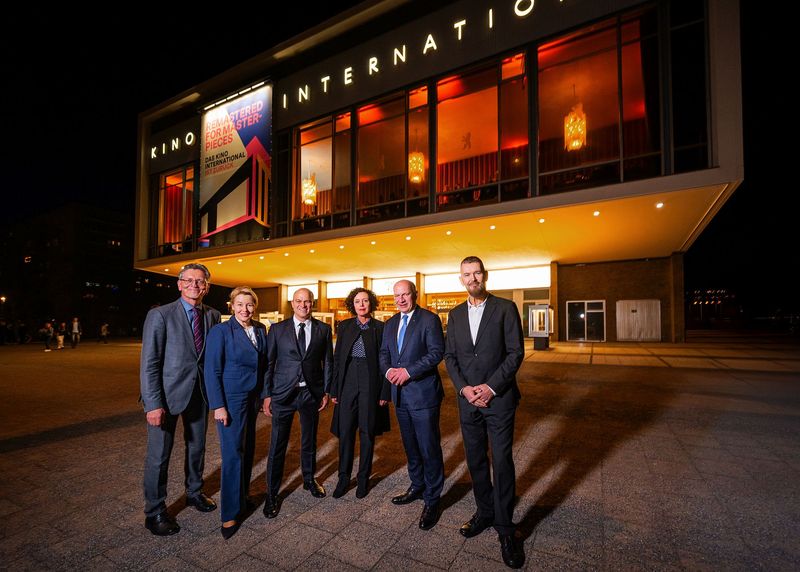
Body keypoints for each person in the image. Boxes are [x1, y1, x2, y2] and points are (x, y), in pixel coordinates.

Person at [444, 256, 525, 569]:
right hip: (467, 401)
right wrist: (464, 389)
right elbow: (451, 357)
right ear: (461, 279)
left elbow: (516, 353)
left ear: (485, 275)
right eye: (467, 274)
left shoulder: (504, 308)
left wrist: (490, 388)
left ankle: (505, 528)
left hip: (499, 399)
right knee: (475, 459)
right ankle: (485, 511)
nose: (472, 278)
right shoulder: (454, 314)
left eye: (477, 272)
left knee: (502, 461)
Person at [140, 263, 221, 536]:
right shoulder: (160, 315)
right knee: (158, 455)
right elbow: (149, 362)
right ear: (179, 284)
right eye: (189, 281)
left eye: (200, 282)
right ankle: (154, 511)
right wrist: (153, 404)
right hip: (165, 397)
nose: (194, 286)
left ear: (206, 287)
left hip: (199, 394)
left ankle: (194, 492)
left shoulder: (213, 315)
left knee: (197, 448)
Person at [261, 287, 333, 518]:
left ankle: (309, 479)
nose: (304, 305)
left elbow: (328, 363)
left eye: (308, 301)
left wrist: (325, 391)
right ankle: (272, 493)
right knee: (278, 444)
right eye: (299, 301)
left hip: (310, 394)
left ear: (313, 304)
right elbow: (269, 363)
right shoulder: (277, 329)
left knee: (309, 441)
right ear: (292, 304)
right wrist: (267, 394)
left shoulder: (323, 329)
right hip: (283, 394)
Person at [379, 279, 445, 530]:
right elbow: (384, 354)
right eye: (397, 296)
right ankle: (417, 486)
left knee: (429, 448)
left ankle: (432, 498)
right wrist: (389, 373)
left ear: (414, 295)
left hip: (423, 395)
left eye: (405, 294)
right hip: (400, 397)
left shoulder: (429, 320)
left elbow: (436, 353)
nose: (401, 299)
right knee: (411, 447)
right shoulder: (390, 323)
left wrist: (407, 372)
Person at [204, 287, 267, 539]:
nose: (245, 309)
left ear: (255, 306)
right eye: (239, 304)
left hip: (252, 399)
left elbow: (263, 365)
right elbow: (212, 370)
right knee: (232, 455)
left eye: (249, 305)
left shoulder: (261, 329)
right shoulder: (221, 331)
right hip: (231, 400)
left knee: (248, 448)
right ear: (232, 306)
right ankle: (229, 514)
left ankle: (243, 498)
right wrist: (218, 405)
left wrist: (264, 396)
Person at [330, 288, 391, 499]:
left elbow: (386, 362)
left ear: (371, 304)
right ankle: (343, 478)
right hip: (347, 383)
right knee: (345, 432)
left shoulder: (381, 328)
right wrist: (334, 389)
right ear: (352, 305)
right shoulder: (345, 326)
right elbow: (338, 360)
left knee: (367, 432)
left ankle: (363, 478)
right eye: (357, 301)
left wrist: (385, 391)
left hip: (370, 383)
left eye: (365, 301)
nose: (362, 304)